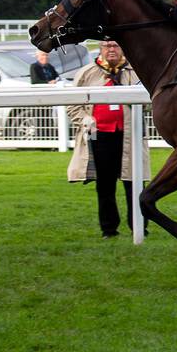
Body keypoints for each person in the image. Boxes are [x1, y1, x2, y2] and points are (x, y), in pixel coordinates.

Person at [67, 40, 144, 238]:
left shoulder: (134, 72)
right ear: (101, 49)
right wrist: (86, 119)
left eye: (115, 45)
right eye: (107, 46)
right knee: (105, 185)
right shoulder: (87, 73)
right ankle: (109, 229)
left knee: (134, 182)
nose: (111, 50)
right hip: (99, 135)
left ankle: (139, 226)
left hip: (129, 135)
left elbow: (150, 99)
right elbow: (72, 104)